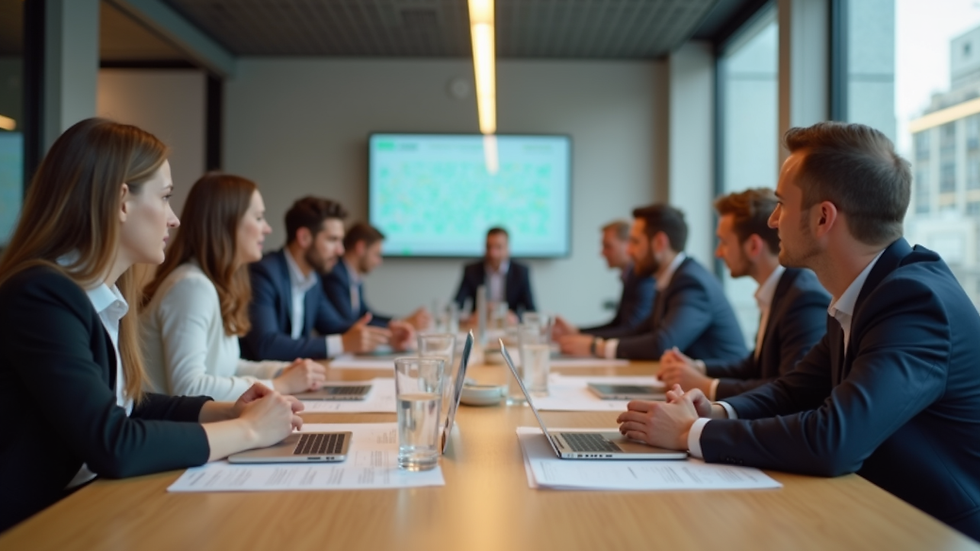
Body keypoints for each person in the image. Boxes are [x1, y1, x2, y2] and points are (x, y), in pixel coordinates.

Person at [616, 122, 980, 540]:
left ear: (823, 218)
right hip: (874, 512)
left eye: (781, 204)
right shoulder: (867, 290)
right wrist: (715, 412)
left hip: (934, 532)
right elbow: (793, 390)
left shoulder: (913, 301)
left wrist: (689, 432)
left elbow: (836, 440)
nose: (772, 221)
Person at [0, 118, 302, 532]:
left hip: (84, 506)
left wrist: (227, 410)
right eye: (164, 197)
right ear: (122, 201)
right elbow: (113, 443)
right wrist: (248, 430)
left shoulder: (97, 296)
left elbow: (127, 405)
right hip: (33, 525)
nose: (173, 219)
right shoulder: (41, 296)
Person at [141, 173, 327, 401]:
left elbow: (227, 368)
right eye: (258, 218)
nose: (267, 228)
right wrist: (279, 385)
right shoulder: (190, 286)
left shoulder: (212, 283)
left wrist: (281, 371)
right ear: (226, 223)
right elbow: (188, 387)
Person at [658, 188, 829, 400]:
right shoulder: (781, 289)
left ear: (753, 246)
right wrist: (698, 367)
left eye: (724, 242)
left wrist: (708, 386)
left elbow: (791, 389)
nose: (718, 252)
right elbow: (755, 365)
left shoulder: (803, 300)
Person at [559, 205, 746, 363]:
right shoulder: (669, 278)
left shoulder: (691, 282)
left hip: (723, 387)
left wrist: (596, 347)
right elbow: (639, 331)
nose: (629, 251)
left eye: (635, 242)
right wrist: (583, 337)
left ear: (659, 243)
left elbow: (664, 344)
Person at [240, 197, 412, 361]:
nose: (340, 250)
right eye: (332, 240)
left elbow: (334, 326)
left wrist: (388, 334)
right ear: (304, 238)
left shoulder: (312, 279)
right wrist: (342, 343)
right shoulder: (264, 273)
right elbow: (267, 345)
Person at [552, 220, 655, 337]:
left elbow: (631, 330)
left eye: (608, 246)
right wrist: (577, 332)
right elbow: (617, 324)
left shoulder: (642, 278)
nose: (602, 253)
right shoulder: (629, 276)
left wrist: (584, 338)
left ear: (627, 244)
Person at [322, 221, 430, 331]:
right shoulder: (334, 276)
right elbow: (350, 325)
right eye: (376, 254)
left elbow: (366, 315)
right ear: (361, 247)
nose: (379, 262)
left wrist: (399, 321)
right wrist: (401, 324)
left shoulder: (354, 278)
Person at [454, 227, 536, 316]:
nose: (493, 253)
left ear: (508, 248)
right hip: (480, 323)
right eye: (489, 247)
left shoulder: (521, 272)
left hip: (508, 323)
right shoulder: (471, 271)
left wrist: (515, 317)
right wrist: (471, 317)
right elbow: (455, 306)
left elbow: (532, 311)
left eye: (498, 247)